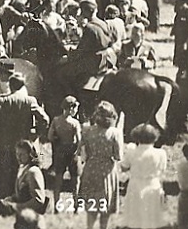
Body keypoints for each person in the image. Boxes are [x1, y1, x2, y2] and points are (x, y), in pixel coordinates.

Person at [0, 72, 50, 213]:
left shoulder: (0, 100)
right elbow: (45, 119)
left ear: (10, 85)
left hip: (2, 144)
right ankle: (17, 206)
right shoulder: (29, 100)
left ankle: (1, 206)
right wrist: (36, 133)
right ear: (22, 85)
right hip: (23, 146)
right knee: (20, 177)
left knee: (2, 177)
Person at [78, 101, 122, 229]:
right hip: (107, 171)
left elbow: (82, 151)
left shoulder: (87, 130)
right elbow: (118, 156)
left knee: (91, 206)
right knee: (105, 206)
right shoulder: (115, 133)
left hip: (91, 168)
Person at [121, 123, 166, 229]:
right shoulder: (161, 153)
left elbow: (124, 167)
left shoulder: (132, 152)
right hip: (153, 184)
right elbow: (162, 169)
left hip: (135, 185)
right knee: (151, 216)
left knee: (135, 216)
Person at [48, 96, 82, 208]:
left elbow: (50, 136)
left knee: (58, 179)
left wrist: (57, 141)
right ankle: (76, 205)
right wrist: (78, 152)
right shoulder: (75, 123)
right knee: (75, 180)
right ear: (71, 108)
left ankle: (57, 205)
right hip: (72, 152)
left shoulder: (56, 120)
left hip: (60, 152)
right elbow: (79, 140)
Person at [0, 140, 47, 215]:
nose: (18, 157)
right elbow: (23, 193)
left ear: (30, 154)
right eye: (17, 154)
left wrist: (17, 207)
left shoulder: (33, 171)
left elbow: (38, 200)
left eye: (22, 154)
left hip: (33, 218)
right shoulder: (22, 168)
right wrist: (12, 198)